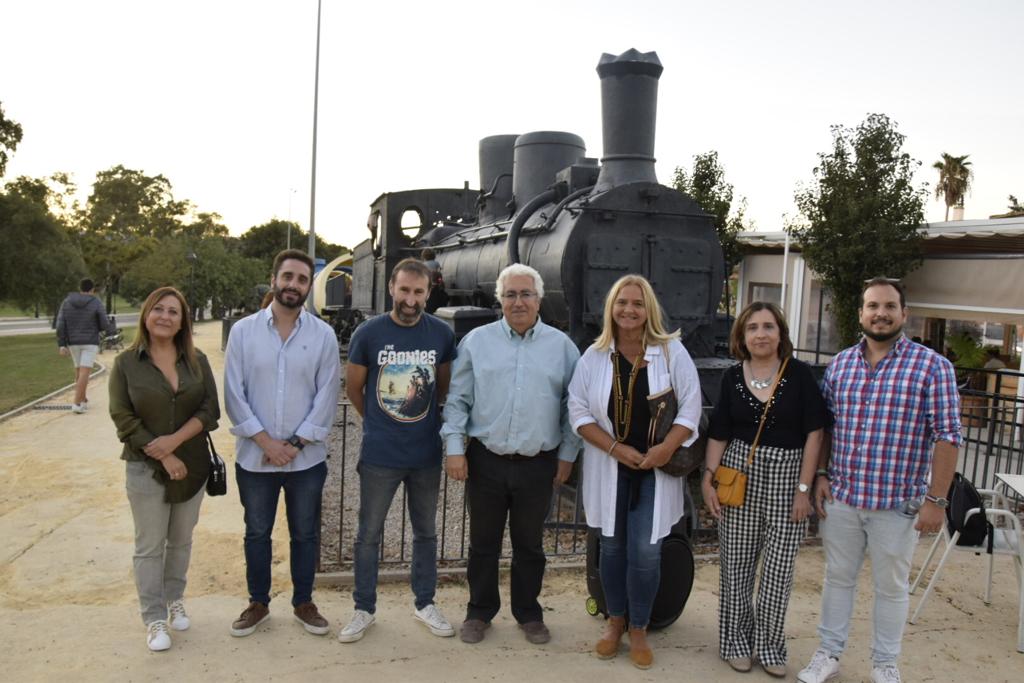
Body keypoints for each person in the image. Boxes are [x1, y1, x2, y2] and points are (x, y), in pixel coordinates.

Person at [798, 277, 962, 683]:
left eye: (889, 306)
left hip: (897, 505)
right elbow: (828, 426)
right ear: (861, 314)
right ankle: (829, 653)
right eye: (873, 306)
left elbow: (947, 436)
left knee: (891, 587)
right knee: (837, 579)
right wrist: (821, 473)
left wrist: (936, 500)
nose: (881, 313)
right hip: (843, 499)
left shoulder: (932, 367)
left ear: (904, 314)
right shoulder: (841, 364)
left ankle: (885, 664)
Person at [441, 263, 581, 646]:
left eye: (526, 294)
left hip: (538, 463)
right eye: (511, 295)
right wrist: (455, 448)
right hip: (486, 460)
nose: (519, 302)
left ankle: (529, 613)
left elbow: (573, 406)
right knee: (482, 544)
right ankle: (479, 612)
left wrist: (568, 454)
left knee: (530, 545)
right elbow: (458, 400)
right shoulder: (477, 342)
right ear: (499, 299)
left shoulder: (562, 348)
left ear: (539, 299)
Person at [567, 275, 701, 669]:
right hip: (612, 466)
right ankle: (615, 622)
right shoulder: (594, 356)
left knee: (645, 551)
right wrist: (615, 448)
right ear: (611, 308)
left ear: (649, 310)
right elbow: (578, 410)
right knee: (611, 547)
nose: (629, 310)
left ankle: (638, 627)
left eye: (637, 304)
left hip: (654, 469)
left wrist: (665, 449)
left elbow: (691, 407)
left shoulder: (671, 352)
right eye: (622, 302)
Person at [702, 302, 826, 677]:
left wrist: (804, 489)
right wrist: (709, 477)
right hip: (738, 474)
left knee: (778, 571)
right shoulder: (731, 377)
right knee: (736, 567)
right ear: (742, 336)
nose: (760, 334)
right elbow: (719, 431)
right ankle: (735, 643)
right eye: (752, 327)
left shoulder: (799, 375)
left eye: (768, 326)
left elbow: (815, 433)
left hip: (788, 477)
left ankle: (770, 647)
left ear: (780, 333)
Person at [224, 249, 341, 639]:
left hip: (305, 460)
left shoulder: (323, 335)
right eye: (288, 276)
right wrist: (266, 443)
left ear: (308, 286)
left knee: (305, 533)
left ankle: (304, 602)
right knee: (257, 532)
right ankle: (258, 603)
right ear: (274, 278)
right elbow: (234, 394)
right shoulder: (243, 332)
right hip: (255, 459)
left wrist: (293, 444)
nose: (294, 284)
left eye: (302, 279)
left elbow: (327, 395)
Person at [339, 258, 457, 642]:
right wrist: (376, 422)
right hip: (380, 455)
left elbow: (442, 388)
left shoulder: (441, 334)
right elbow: (354, 387)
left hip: (425, 455)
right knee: (368, 534)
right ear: (391, 287)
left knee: (426, 533)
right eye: (404, 289)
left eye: (418, 291)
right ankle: (363, 609)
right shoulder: (369, 333)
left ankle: (425, 603)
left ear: (428, 292)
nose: (410, 299)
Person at [108, 286, 220, 652]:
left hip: (193, 467)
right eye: (159, 309)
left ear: (182, 321)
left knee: (181, 540)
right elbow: (122, 417)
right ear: (146, 314)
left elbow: (210, 410)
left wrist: (174, 442)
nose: (165, 317)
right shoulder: (126, 363)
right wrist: (163, 454)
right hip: (145, 467)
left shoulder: (197, 360)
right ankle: (154, 617)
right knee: (149, 546)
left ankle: (175, 599)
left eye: (174, 312)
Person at [57, 277, 115, 413]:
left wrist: (62, 344)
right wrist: (102, 329)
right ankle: (77, 403)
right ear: (92, 290)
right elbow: (104, 323)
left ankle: (82, 399)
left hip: (73, 342)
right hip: (90, 341)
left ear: (80, 288)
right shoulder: (96, 302)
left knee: (79, 371)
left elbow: (60, 324)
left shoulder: (67, 301)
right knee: (85, 372)